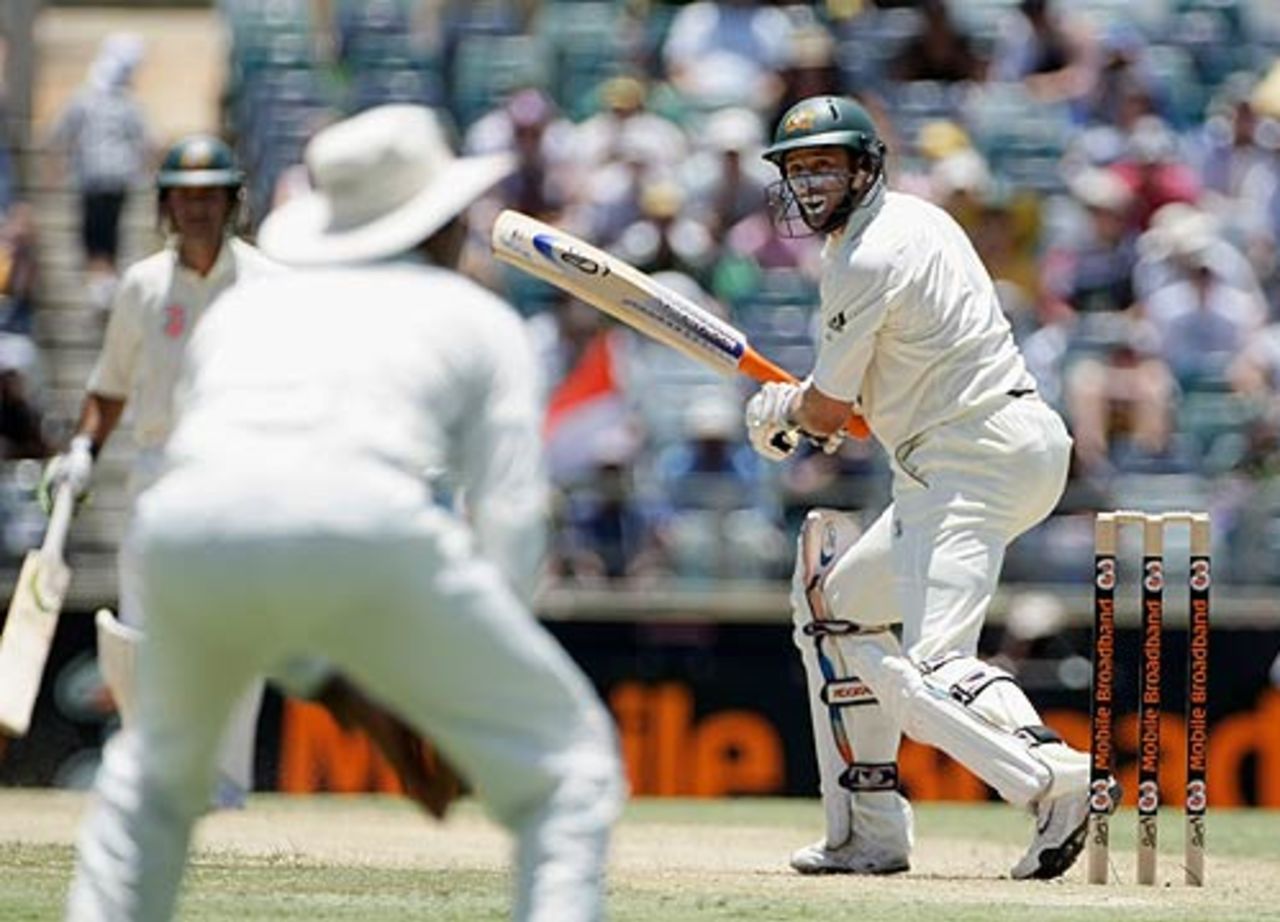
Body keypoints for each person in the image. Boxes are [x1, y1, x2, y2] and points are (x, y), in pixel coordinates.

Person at [65, 103, 623, 922]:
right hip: (368, 518)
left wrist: (367, 703)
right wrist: (458, 696)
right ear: (437, 222)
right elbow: (507, 520)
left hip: (182, 527)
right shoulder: (478, 319)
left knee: (151, 782)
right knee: (570, 767)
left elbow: (264, 531)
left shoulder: (249, 311)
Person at [745, 95, 1104, 879]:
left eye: (824, 166)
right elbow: (865, 405)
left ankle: (1055, 777)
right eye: (797, 169)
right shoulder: (922, 220)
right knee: (836, 608)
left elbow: (830, 410)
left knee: (937, 666)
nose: (808, 184)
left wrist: (781, 413)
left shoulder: (865, 257)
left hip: (967, 457)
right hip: (991, 445)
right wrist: (815, 410)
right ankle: (868, 831)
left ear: (865, 167)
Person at [40, 135, 274, 809]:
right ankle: (157, 781)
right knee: (146, 636)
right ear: (166, 205)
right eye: (185, 196)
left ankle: (226, 786)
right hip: (158, 480)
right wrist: (84, 449)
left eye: (209, 197)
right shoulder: (142, 286)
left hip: (240, 480)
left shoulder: (269, 284)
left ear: (231, 203)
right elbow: (108, 388)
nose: (197, 209)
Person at [44, 33, 151, 313]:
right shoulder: (110, 102)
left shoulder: (102, 101)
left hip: (104, 180)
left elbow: (60, 133)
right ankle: (103, 282)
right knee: (101, 232)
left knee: (101, 233)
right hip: (101, 180)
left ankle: (103, 283)